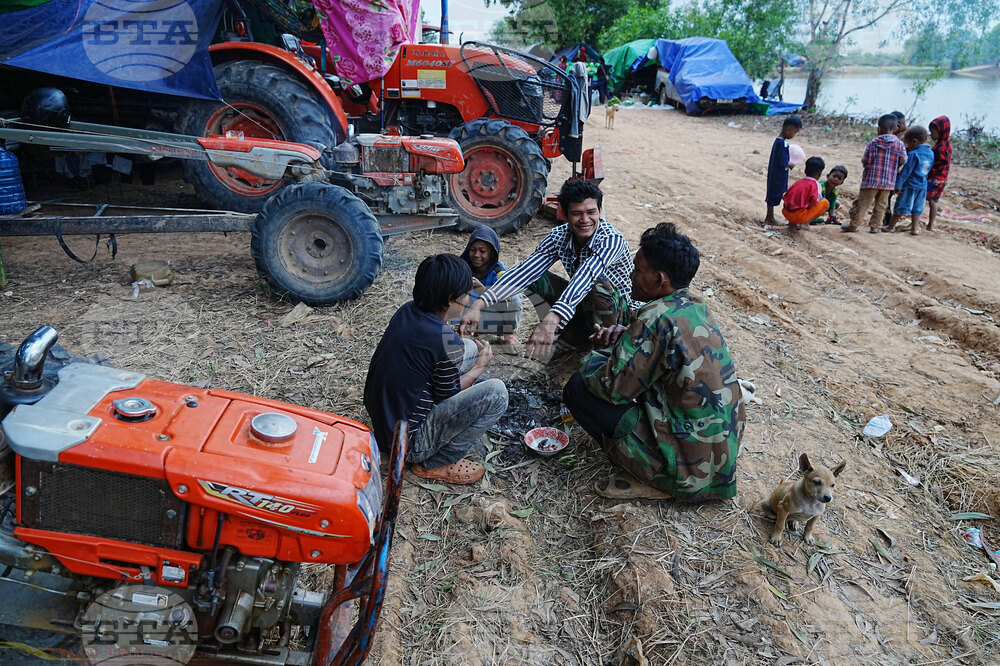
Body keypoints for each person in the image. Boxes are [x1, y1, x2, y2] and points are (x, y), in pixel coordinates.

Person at [562, 222, 746, 501]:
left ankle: (654, 479)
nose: (632, 276)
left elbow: (611, 389)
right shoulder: (696, 308)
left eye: (637, 269)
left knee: (577, 388)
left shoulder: (654, 318)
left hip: (684, 474)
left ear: (660, 280)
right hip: (720, 465)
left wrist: (597, 354)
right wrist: (628, 339)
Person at [364, 254, 508, 485]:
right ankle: (435, 462)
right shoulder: (444, 341)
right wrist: (479, 368)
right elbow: (447, 396)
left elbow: (437, 344)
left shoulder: (407, 310)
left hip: (384, 421)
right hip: (406, 443)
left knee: (468, 346)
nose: (469, 299)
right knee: (497, 393)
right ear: (451, 300)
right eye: (465, 295)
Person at [460, 179, 635, 361]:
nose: (585, 220)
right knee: (536, 277)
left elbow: (587, 275)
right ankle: (576, 334)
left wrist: (551, 320)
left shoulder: (611, 240)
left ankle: (605, 349)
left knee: (595, 282)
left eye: (591, 212)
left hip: (623, 317)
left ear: (599, 211)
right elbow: (525, 272)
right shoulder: (559, 236)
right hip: (585, 305)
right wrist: (479, 304)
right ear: (565, 215)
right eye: (577, 214)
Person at [457, 226, 522, 351]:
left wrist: (482, 290)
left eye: (482, 251)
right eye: (473, 250)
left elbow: (505, 304)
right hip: (466, 319)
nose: (476, 255)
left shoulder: (499, 272)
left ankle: (508, 335)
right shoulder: (463, 266)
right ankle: (464, 334)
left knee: (515, 297)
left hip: (493, 320)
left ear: (492, 252)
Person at [842, 114, 906, 234]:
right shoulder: (899, 144)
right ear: (896, 128)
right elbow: (903, 160)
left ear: (879, 129)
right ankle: (875, 227)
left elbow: (865, 161)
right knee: (881, 206)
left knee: (862, 204)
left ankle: (853, 225)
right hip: (888, 183)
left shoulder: (873, 143)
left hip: (870, 181)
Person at [882, 125, 934, 235]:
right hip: (922, 185)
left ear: (914, 141)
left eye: (908, 144)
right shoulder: (930, 153)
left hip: (910, 184)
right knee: (917, 208)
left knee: (901, 205)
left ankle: (891, 226)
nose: (907, 146)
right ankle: (915, 228)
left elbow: (906, 172)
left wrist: (898, 186)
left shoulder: (913, 154)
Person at [765, 115, 802, 226]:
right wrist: (790, 164)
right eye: (794, 132)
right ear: (788, 129)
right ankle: (770, 217)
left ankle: (770, 216)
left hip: (777, 173)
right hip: (778, 175)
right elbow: (782, 161)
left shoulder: (780, 141)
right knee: (776, 194)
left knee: (775, 193)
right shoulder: (781, 143)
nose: (794, 135)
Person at [781, 156, 829, 229]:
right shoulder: (816, 185)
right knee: (825, 203)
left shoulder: (798, 183)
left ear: (805, 171)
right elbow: (813, 202)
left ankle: (792, 223)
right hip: (799, 217)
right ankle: (805, 223)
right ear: (819, 174)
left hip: (786, 213)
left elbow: (785, 197)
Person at [925, 116, 952, 232]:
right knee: (933, 201)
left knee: (924, 198)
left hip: (936, 178)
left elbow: (941, 162)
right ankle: (930, 224)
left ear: (941, 131)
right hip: (942, 178)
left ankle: (919, 223)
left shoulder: (941, 147)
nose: (931, 135)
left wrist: (929, 171)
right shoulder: (946, 144)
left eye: (933, 132)